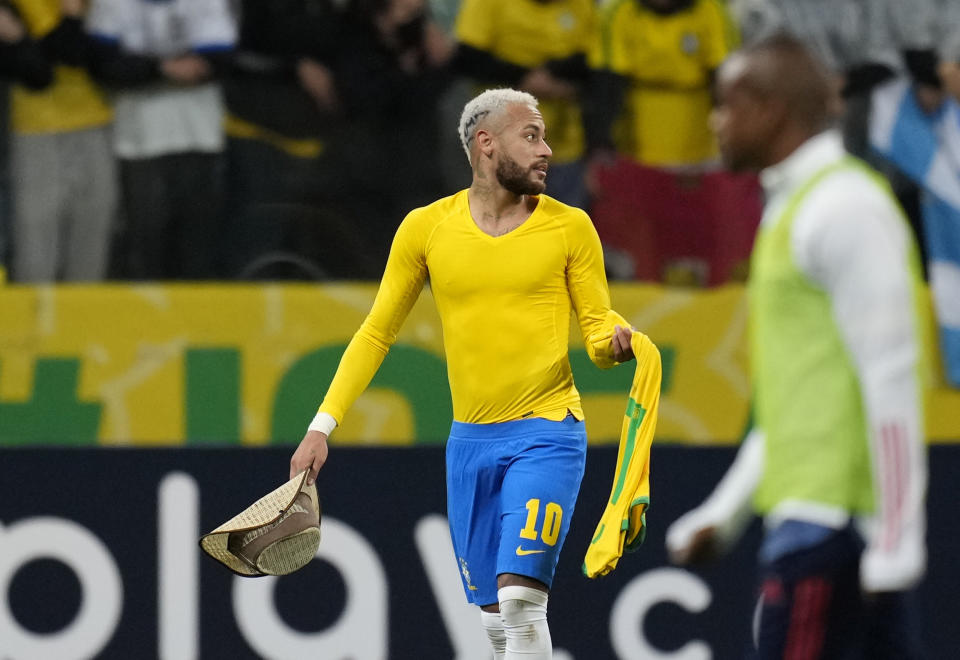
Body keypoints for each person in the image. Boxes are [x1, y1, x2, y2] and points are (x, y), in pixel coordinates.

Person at [289, 87, 636, 659]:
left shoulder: (570, 227)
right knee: (497, 627)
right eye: (532, 136)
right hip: (470, 443)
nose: (546, 150)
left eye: (544, 137)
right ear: (486, 144)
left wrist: (613, 344)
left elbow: (597, 333)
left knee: (523, 606)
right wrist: (321, 426)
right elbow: (376, 333)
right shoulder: (426, 229)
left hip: (548, 432)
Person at [665, 35, 930, 658]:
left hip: (834, 535)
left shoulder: (845, 207)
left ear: (770, 110)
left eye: (726, 105)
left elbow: (891, 378)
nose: (715, 122)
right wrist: (725, 512)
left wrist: (898, 538)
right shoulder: (791, 212)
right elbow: (793, 407)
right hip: (817, 529)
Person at [7, 0, 117, 283]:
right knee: (37, 243)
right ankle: (33, 324)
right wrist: (71, 16)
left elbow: (111, 55)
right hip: (37, 128)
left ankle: (86, 321)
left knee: (91, 238)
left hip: (96, 120)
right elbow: (57, 57)